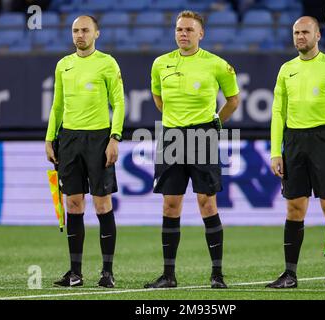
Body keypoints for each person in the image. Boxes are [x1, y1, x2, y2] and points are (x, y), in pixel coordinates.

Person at [144, 10, 240, 289]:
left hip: (203, 136)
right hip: (171, 138)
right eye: (179, 29)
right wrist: (176, 123)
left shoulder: (217, 64)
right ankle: (168, 275)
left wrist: (214, 124)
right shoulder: (160, 63)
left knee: (206, 203)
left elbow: (233, 100)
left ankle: (217, 275)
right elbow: (158, 97)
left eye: (188, 29)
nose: (183, 34)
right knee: (170, 204)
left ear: (201, 34)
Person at [267, 16, 325, 289]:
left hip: (324, 141)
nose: (299, 36)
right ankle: (290, 275)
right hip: (293, 141)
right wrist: (275, 152)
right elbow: (278, 113)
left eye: (305, 32)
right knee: (294, 208)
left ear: (317, 36)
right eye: (296, 32)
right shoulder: (285, 70)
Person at [45, 15, 125, 288]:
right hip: (68, 139)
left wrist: (115, 138)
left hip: (99, 139)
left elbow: (119, 103)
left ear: (96, 34)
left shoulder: (107, 63)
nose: (80, 35)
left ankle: (107, 272)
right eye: (76, 31)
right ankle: (75, 273)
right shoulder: (63, 65)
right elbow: (57, 105)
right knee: (73, 204)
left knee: (102, 203)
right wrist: (49, 138)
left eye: (85, 30)